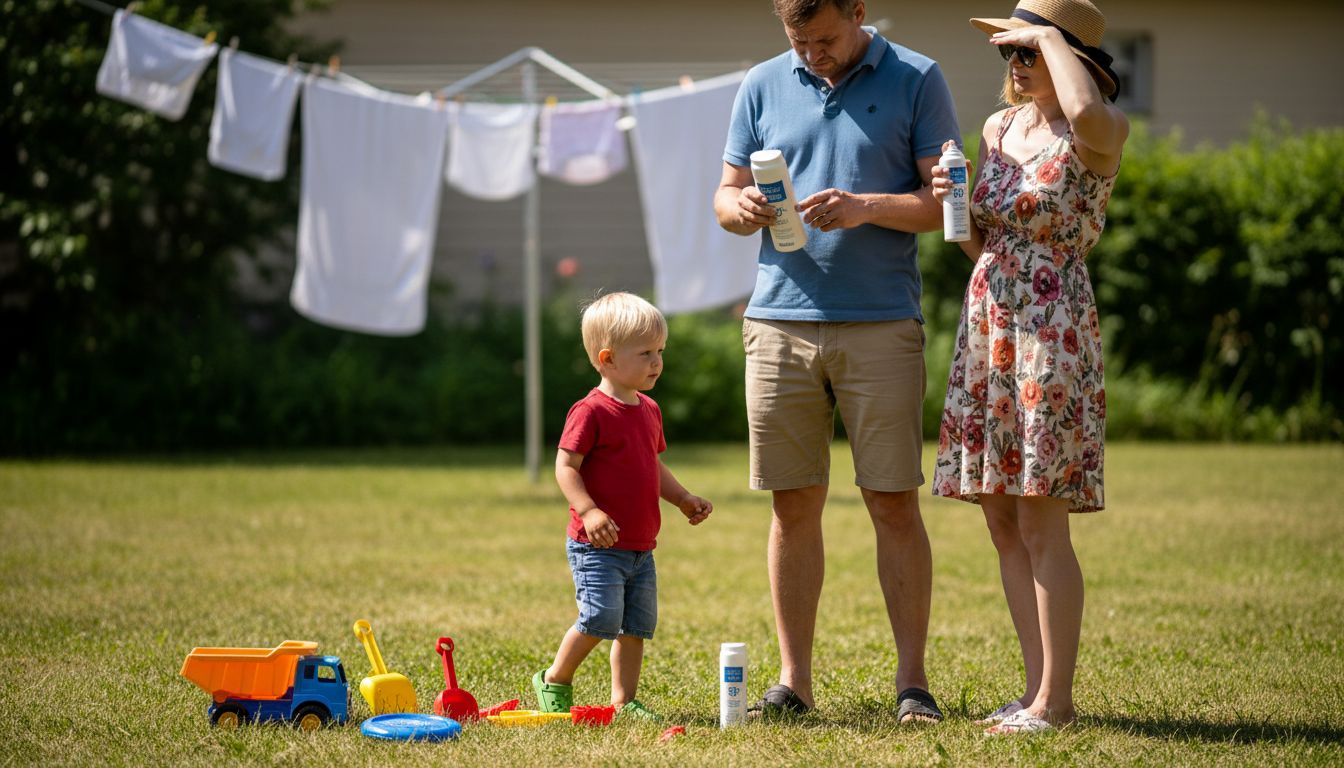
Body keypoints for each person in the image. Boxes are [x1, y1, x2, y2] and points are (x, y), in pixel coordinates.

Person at [713, 0, 959, 723]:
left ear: (859, 11)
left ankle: (912, 684)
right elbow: (724, 197)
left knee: (892, 502)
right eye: (799, 40)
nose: (811, 53)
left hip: (882, 322)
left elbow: (941, 205)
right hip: (778, 322)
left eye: (824, 38)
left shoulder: (918, 77)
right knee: (793, 506)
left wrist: (865, 207)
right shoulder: (762, 81)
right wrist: (744, 211)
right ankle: (795, 684)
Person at [929, 0, 1128, 735]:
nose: (1013, 65)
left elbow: (1085, 109)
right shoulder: (998, 128)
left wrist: (1050, 36)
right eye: (1006, 52)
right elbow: (980, 242)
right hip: (991, 320)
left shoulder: (1099, 128)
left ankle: (1059, 702)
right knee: (1002, 515)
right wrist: (958, 208)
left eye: (1028, 51)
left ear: (1068, 56)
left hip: (1052, 326)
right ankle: (1034, 689)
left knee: (1043, 516)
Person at [533, 291, 713, 721]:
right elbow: (565, 466)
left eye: (660, 351)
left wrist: (683, 498)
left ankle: (624, 700)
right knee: (599, 618)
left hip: (640, 545)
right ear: (608, 358)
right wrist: (588, 510)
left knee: (635, 627)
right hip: (597, 545)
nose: (657, 362)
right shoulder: (590, 411)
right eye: (646, 352)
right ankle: (555, 678)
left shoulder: (648, 409)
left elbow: (652, 466)